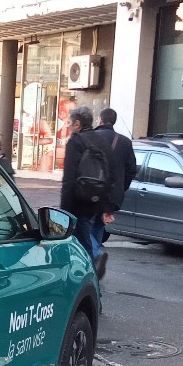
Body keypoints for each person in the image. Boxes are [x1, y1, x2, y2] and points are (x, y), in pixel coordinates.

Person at [60, 105, 121, 279]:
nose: (68, 126)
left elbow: (69, 178)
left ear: (77, 124)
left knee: (80, 236)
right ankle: (89, 262)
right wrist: (107, 203)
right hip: (98, 197)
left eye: (69, 123)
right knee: (86, 230)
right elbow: (112, 174)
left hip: (79, 199)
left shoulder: (75, 141)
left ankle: (92, 263)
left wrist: (65, 208)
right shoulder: (102, 140)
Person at [96, 108, 138, 238]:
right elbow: (131, 170)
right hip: (112, 195)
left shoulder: (89, 137)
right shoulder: (125, 142)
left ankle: (92, 249)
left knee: (87, 227)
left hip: (90, 191)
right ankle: (95, 248)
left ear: (100, 120)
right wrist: (120, 188)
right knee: (98, 228)